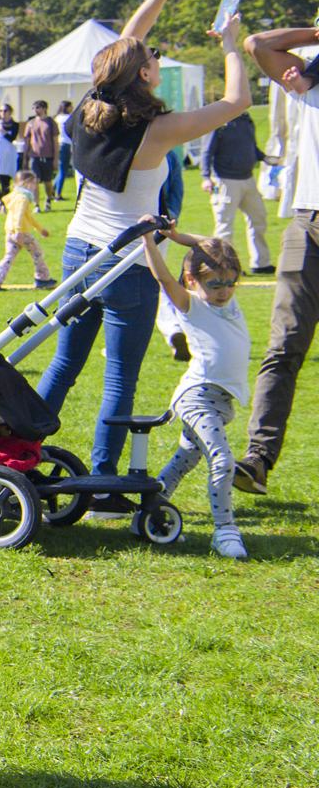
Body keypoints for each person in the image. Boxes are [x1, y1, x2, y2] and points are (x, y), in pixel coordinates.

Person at [35, 0, 252, 511]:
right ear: (146, 75)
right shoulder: (157, 130)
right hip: (129, 266)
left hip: (81, 250)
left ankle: (14, 452)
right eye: (151, 58)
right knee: (118, 380)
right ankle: (106, 483)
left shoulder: (89, 104)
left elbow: (128, 40)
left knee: (63, 362)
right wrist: (231, 45)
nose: (154, 55)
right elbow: (237, 101)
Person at [233, 25, 319, 495]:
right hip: (308, 225)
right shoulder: (307, 77)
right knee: (284, 347)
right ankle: (258, 459)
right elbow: (257, 44)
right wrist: (316, 32)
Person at [143, 231, 251, 559]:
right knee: (222, 459)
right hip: (197, 398)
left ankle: (148, 514)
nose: (225, 291)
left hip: (220, 403)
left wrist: (177, 235)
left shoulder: (228, 304)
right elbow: (162, 276)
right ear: (191, 280)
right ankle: (225, 531)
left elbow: (214, 243)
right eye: (216, 284)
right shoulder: (193, 305)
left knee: (182, 463)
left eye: (231, 282)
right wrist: (150, 240)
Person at [199, 98, 275, 276]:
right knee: (224, 225)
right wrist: (205, 177)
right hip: (225, 182)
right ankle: (226, 266)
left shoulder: (247, 120)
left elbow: (252, 148)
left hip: (248, 180)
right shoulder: (218, 122)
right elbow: (207, 151)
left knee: (259, 219)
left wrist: (265, 157)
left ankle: (261, 263)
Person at [0, 169, 53, 290]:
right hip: (22, 234)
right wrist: (19, 231)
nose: (35, 186)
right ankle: (42, 278)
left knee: (9, 257)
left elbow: (28, 217)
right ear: (26, 183)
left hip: (10, 233)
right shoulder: (23, 198)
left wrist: (40, 229)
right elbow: (19, 215)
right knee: (37, 253)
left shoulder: (15, 195)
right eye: (34, 183)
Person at [20, 100, 60, 210]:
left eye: (37, 107)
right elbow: (27, 142)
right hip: (34, 157)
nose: (35, 110)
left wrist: (56, 159)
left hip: (48, 157)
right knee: (35, 181)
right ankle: (36, 205)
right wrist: (25, 158)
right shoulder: (31, 123)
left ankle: (48, 199)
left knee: (47, 182)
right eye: (33, 108)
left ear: (44, 109)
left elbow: (56, 142)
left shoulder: (51, 123)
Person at [54, 99, 79, 204]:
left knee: (61, 170)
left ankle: (52, 190)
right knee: (63, 171)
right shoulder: (69, 118)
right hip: (66, 145)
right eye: (70, 106)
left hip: (58, 144)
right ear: (67, 107)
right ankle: (57, 194)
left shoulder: (57, 118)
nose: (72, 108)